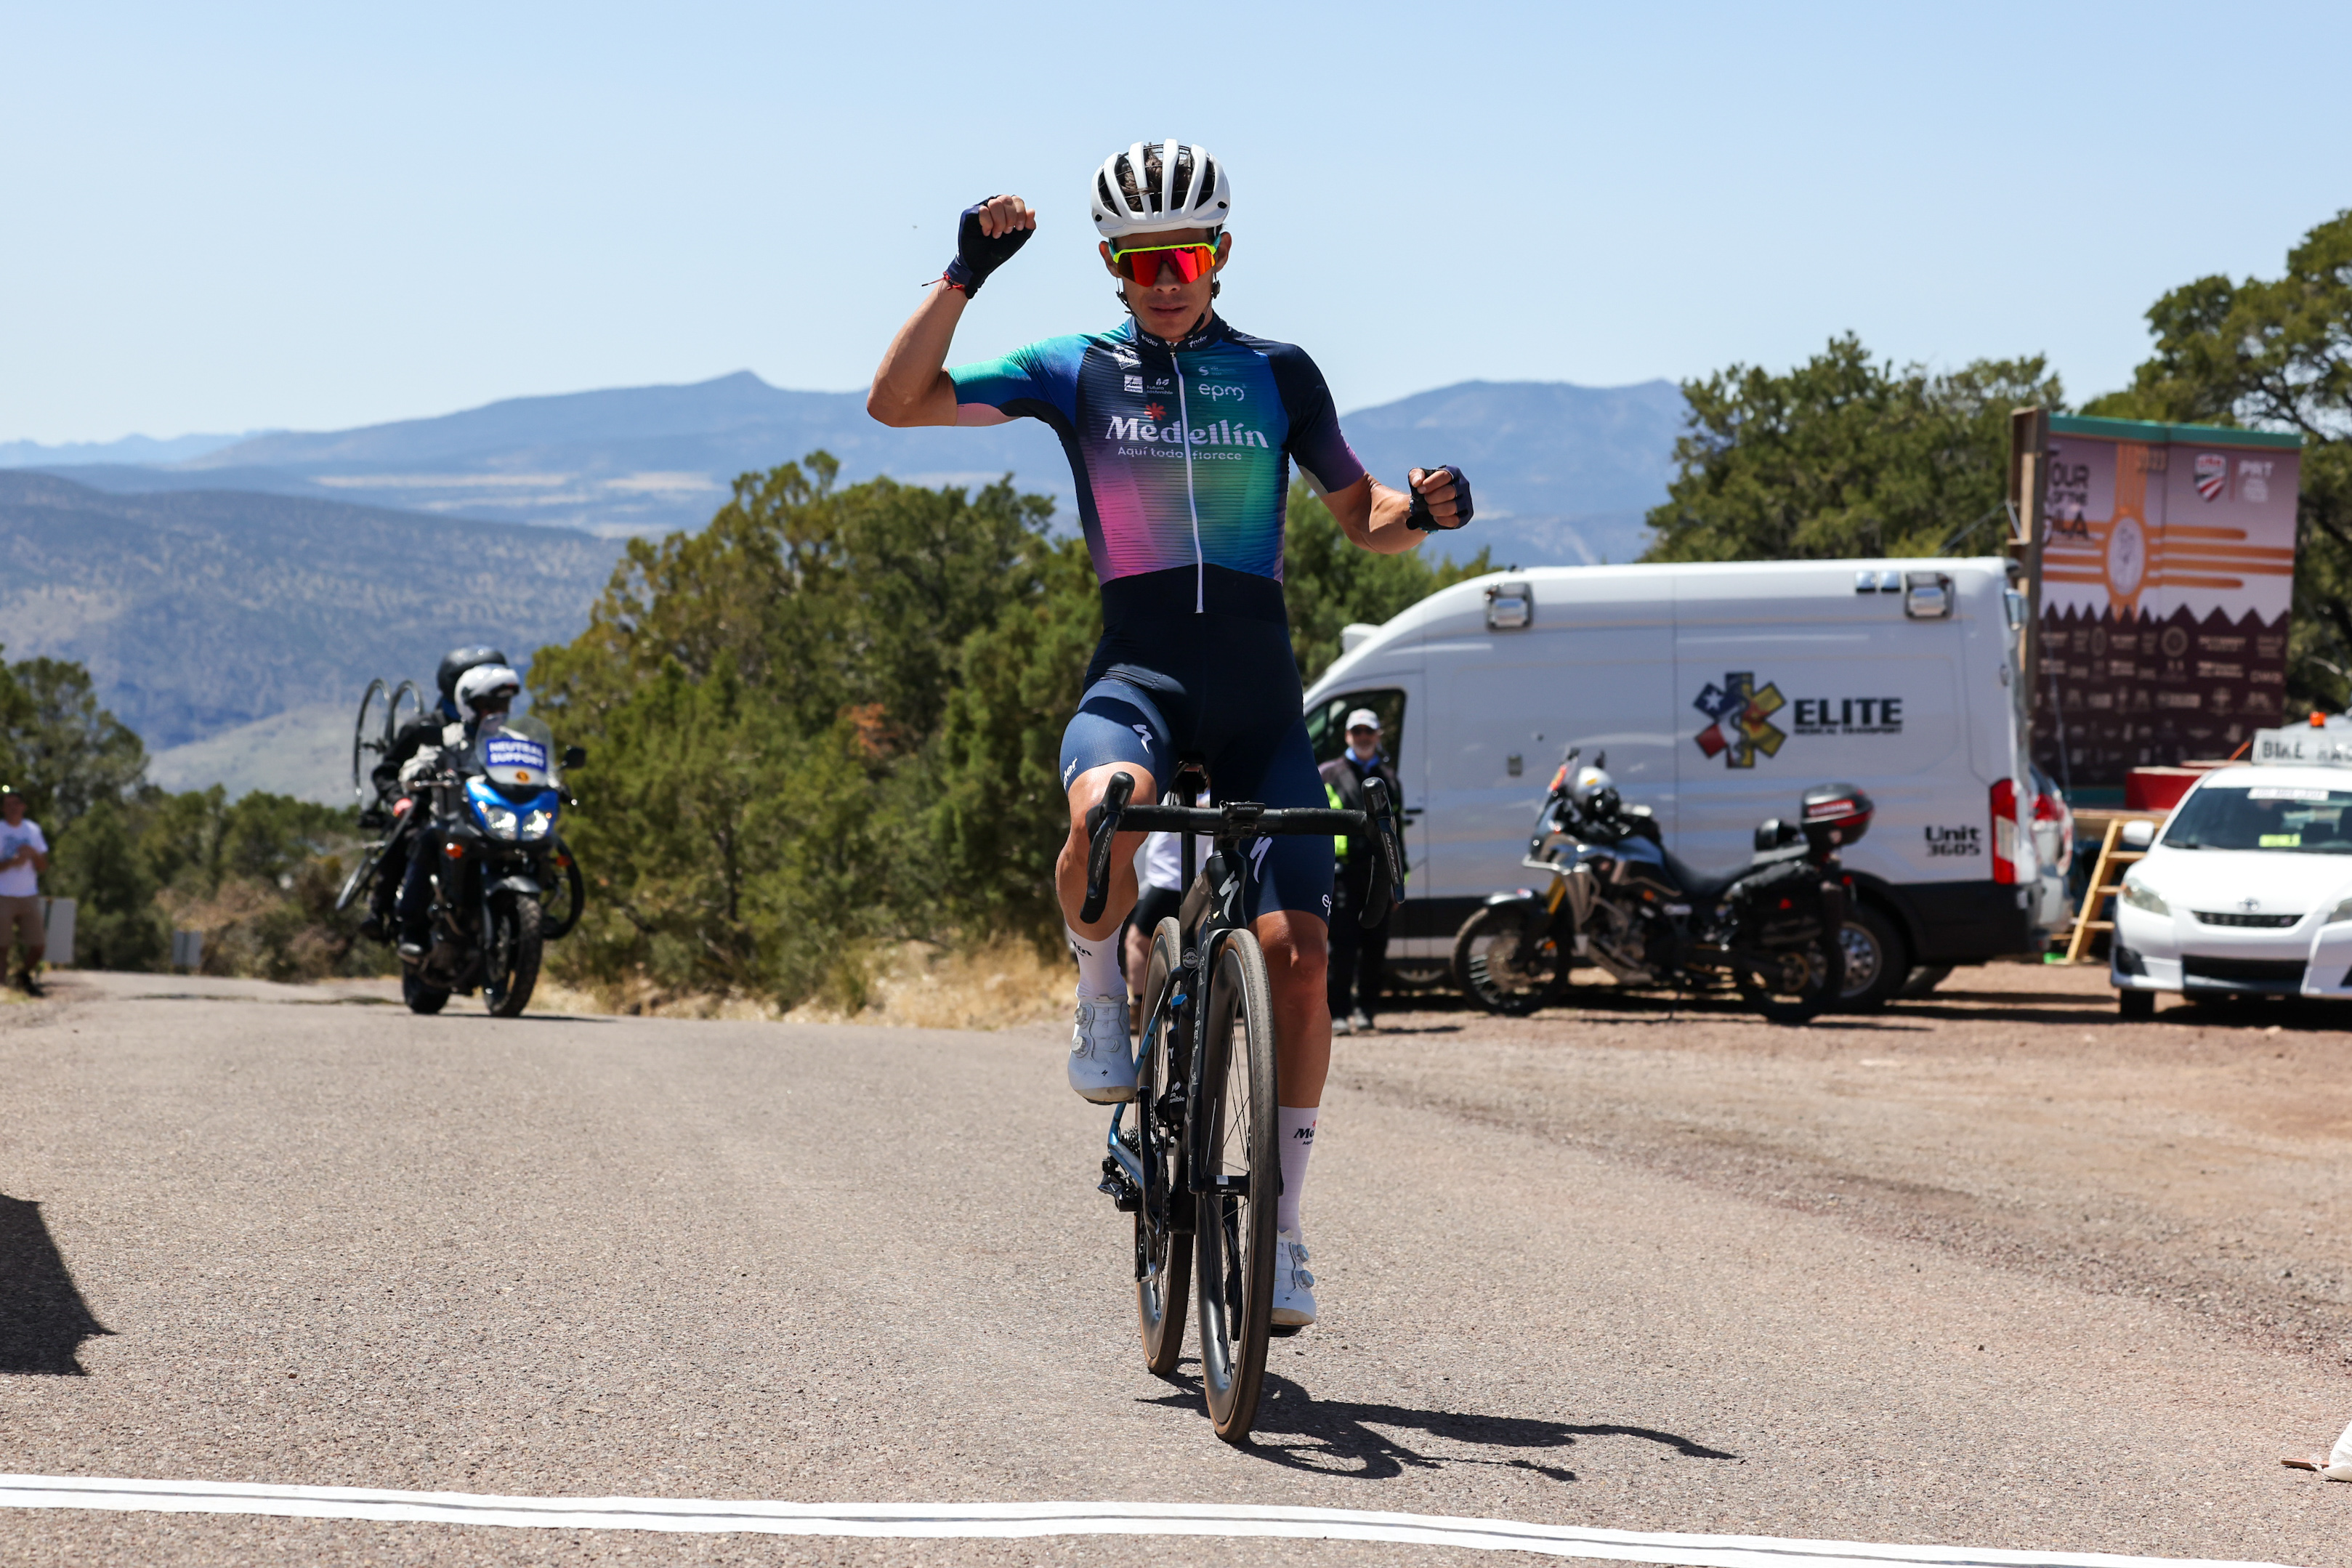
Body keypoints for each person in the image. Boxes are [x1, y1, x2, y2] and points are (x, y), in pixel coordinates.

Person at [869, 141, 1471, 1328]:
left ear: (1222, 253)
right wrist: (964, 272)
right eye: (1142, 259)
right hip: (1137, 676)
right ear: (1110, 263)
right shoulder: (1073, 369)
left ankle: (1284, 1231)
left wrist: (1430, 509)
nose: (1166, 277)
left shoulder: (1278, 374)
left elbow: (1366, 518)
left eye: (1186, 254)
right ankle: (1100, 989)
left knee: (1299, 960)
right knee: (1104, 808)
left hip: (1258, 702)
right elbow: (896, 403)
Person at [360, 646, 509, 944]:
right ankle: (389, 915)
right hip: (429, 807)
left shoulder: (502, 736)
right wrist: (399, 799)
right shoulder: (426, 729)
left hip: (483, 816)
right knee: (416, 838)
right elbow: (387, 772)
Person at [395, 663, 523, 961]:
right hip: (454, 825)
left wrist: (554, 783)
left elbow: (538, 773)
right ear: (469, 705)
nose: (497, 711)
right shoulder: (446, 738)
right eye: (489, 704)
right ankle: (411, 928)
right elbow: (410, 771)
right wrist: (423, 770)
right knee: (427, 841)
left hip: (498, 826)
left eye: (503, 703)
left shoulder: (513, 743)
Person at [1320, 708, 1404, 1035]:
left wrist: (1400, 880)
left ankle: (1367, 1011)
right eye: (1357, 732)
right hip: (1342, 875)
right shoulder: (1328, 773)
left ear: (1378, 735)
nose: (1363, 737)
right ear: (1347, 736)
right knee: (1341, 947)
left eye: (1368, 731)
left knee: (1375, 947)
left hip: (1379, 875)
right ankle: (1338, 1013)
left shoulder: (1390, 778)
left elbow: (1399, 834)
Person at [0, 784, 50, 995]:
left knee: (38, 945)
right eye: (8, 804)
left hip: (29, 894)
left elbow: (44, 866)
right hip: (3, 894)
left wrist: (33, 854)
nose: (13, 807)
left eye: (16, 803)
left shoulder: (33, 830)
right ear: (3, 808)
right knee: (2, 945)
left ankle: (22, 976)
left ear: (24, 806)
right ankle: (2, 987)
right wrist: (12, 862)